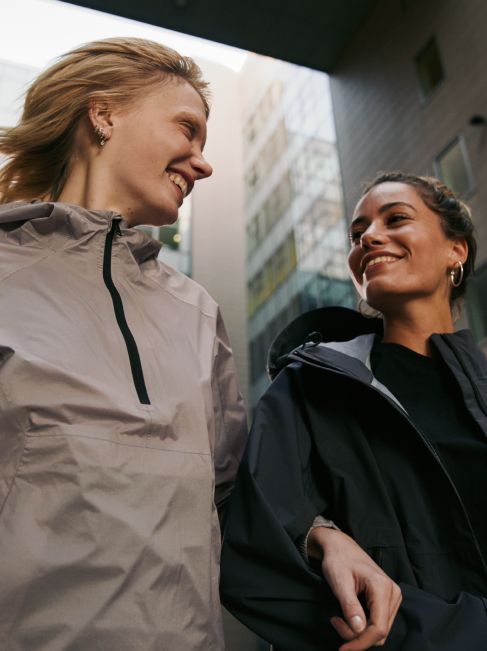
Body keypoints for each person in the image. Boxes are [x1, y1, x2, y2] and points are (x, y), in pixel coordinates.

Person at [0, 37, 247, 650]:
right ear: (103, 114)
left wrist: (323, 534)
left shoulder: (197, 312)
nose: (203, 163)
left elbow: (235, 496)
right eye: (186, 130)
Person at [220, 172, 487, 651]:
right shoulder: (307, 387)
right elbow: (258, 552)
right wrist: (318, 535)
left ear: (457, 251)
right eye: (357, 232)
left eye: (396, 218)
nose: (368, 236)